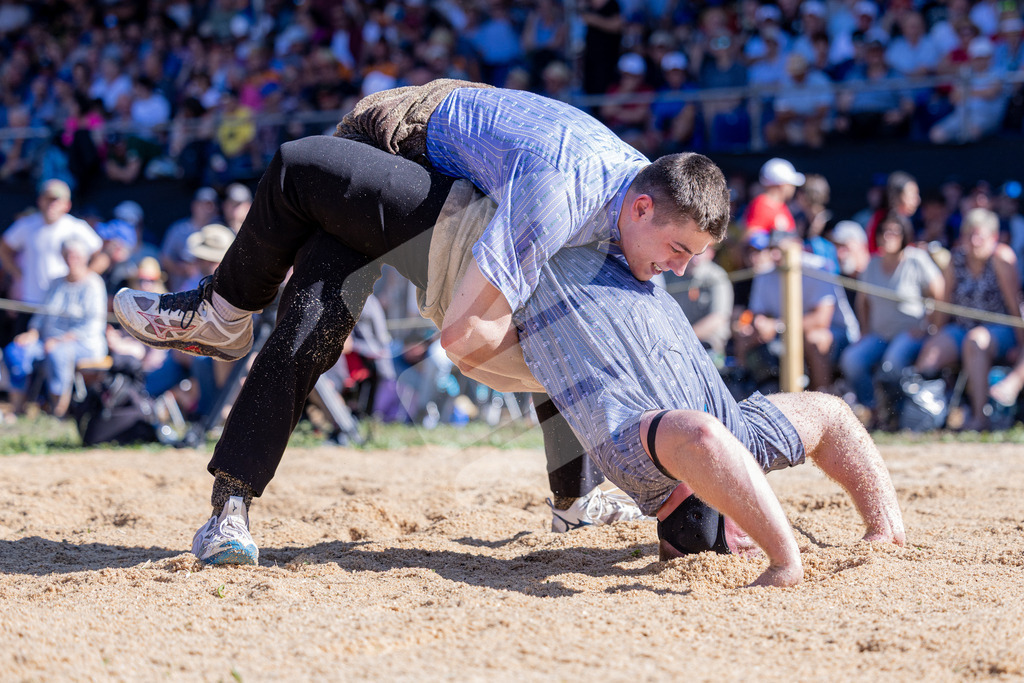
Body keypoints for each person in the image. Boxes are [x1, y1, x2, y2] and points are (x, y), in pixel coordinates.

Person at [113, 81, 731, 565]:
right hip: (389, 139)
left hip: (450, 176)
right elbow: (465, 336)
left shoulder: (640, 198)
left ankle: (574, 500)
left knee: (556, 321)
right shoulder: (557, 194)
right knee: (308, 306)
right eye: (678, 252)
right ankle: (224, 347)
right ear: (642, 207)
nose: (679, 270)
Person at [516, 243, 905, 587]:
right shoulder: (709, 444)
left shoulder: (649, 456)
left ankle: (574, 503)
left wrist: (794, 555)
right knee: (567, 381)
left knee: (567, 380)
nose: (757, 538)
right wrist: (878, 530)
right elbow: (827, 414)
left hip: (562, 272)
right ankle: (574, 503)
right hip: (569, 276)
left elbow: (709, 438)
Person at [913, 208, 1023, 431]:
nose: (974, 241)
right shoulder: (956, 259)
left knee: (975, 342)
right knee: (931, 353)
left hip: (999, 330)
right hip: (962, 328)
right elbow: (943, 306)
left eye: (979, 236)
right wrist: (934, 335)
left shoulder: (1001, 259)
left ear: (993, 237)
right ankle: (929, 417)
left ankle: (979, 417)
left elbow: (1015, 308)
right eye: (969, 235)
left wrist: (1021, 347)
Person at [838, 214, 944, 426]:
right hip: (879, 335)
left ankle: (897, 413)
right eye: (884, 231)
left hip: (910, 333)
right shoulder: (873, 264)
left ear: (904, 235)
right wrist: (865, 331)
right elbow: (863, 301)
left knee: (892, 362)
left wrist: (931, 327)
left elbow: (939, 292)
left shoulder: (916, 259)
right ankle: (874, 408)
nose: (888, 236)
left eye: (894, 231)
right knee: (851, 360)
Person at [2, 238, 107, 417]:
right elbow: (42, 315)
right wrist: (32, 333)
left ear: (85, 258)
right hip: (47, 341)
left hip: (83, 344)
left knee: (58, 353)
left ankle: (58, 411)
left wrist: (59, 340)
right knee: (16, 351)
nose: (71, 260)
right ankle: (18, 409)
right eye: (67, 256)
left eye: (75, 256)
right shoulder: (56, 283)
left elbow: (93, 325)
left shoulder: (94, 284)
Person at [0, 179, 101, 332]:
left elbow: (101, 255)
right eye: (48, 199)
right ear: (40, 200)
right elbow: (4, 247)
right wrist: (17, 273)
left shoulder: (76, 227)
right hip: (31, 303)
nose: (51, 204)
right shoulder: (26, 225)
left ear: (67, 204)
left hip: (62, 309)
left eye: (57, 200)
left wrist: (83, 276)